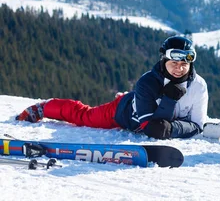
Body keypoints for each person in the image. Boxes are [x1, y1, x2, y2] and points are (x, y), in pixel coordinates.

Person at [16, 35, 208, 140]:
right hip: (122, 112)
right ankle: (45, 106)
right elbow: (152, 129)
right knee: (84, 117)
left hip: (144, 106)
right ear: (163, 60)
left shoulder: (198, 86)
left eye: (184, 63)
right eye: (174, 62)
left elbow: (197, 126)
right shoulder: (147, 82)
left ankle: (132, 98)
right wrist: (169, 100)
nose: (179, 68)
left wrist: (172, 128)